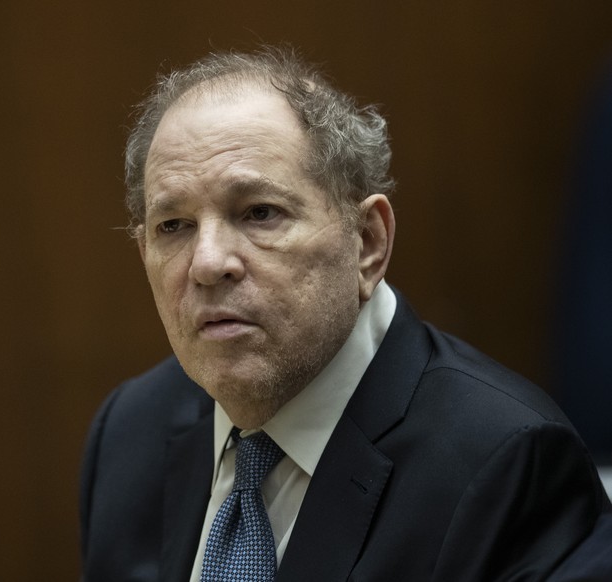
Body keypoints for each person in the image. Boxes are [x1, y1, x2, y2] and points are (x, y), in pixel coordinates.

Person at [79, 45, 611, 581]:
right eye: (173, 226)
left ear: (368, 242)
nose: (208, 263)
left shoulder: (507, 465)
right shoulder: (131, 430)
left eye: (260, 213)